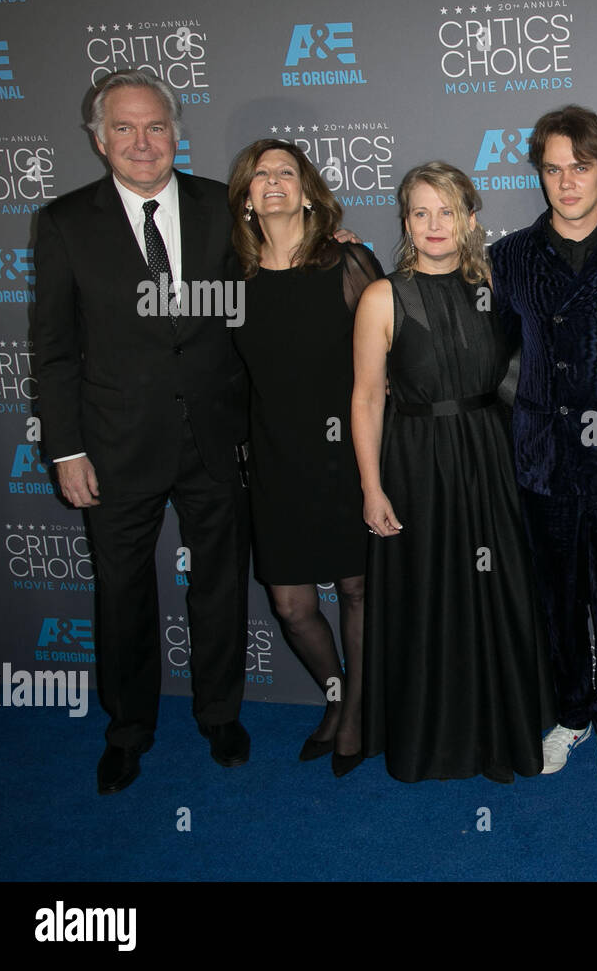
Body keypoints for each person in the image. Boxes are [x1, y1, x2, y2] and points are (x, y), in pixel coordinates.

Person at [31, 70, 251, 793]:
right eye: (123, 128)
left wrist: (329, 236)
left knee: (218, 585)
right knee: (122, 592)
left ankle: (220, 713)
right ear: (99, 141)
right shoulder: (64, 222)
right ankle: (128, 728)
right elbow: (55, 348)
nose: (142, 142)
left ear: (176, 133)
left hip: (214, 435)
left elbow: (272, 288)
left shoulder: (224, 206)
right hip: (114, 443)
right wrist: (65, 447)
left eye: (155, 126)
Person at [352, 161, 552, 783]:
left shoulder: (495, 284)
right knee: (428, 598)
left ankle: (498, 735)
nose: (434, 225)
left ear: (470, 219)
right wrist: (371, 486)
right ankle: (431, 740)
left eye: (447, 211)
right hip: (414, 462)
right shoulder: (382, 295)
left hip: (489, 459)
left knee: (494, 598)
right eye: (420, 212)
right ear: (405, 222)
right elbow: (364, 398)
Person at [489, 106, 597, 787]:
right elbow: (489, 354)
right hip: (544, 457)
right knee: (557, 602)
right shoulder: (506, 258)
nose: (565, 182)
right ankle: (570, 713)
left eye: (579, 168)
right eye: (553, 169)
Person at [227, 139, 383, 777]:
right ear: (244, 198)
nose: (271, 182)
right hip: (273, 456)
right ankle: (336, 691)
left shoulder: (347, 261)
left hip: (347, 452)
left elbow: (391, 358)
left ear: (308, 190)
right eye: (259, 174)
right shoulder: (232, 277)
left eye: (285, 172)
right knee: (291, 604)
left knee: (355, 588)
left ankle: (355, 713)